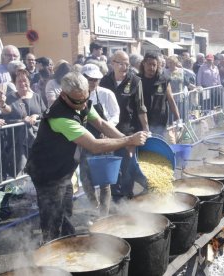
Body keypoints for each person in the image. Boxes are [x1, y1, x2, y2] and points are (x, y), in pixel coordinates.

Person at [25, 72, 148, 242]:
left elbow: (102, 124)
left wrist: (126, 141)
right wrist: (128, 139)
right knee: (52, 218)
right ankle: (50, 250)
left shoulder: (81, 103)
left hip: (64, 170)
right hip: (47, 172)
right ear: (63, 95)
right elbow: (94, 145)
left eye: (86, 98)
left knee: (66, 210)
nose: (83, 105)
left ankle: (68, 243)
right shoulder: (60, 117)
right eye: (78, 101)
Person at [79, 64, 120, 216]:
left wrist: (107, 130)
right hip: (84, 140)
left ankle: (104, 214)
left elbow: (115, 115)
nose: (93, 82)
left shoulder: (106, 94)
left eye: (96, 79)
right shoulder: (77, 96)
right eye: (90, 79)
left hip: (103, 140)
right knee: (85, 177)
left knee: (105, 181)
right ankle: (94, 205)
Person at [0, 69, 46, 177]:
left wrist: (36, 116)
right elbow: (7, 110)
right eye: (19, 81)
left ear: (29, 81)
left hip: (37, 139)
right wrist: (2, 105)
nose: (22, 83)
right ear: (14, 83)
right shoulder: (10, 97)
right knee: (19, 172)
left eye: (25, 80)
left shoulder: (36, 97)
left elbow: (45, 113)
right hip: (17, 142)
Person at [100, 50, 148, 135]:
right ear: (112, 63)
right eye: (121, 64)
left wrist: (145, 128)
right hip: (109, 128)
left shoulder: (135, 81)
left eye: (127, 64)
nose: (125, 67)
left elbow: (141, 107)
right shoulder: (104, 81)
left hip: (129, 128)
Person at [139, 52, 180, 137]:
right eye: (149, 64)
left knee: (158, 145)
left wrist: (177, 118)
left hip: (159, 121)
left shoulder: (163, 80)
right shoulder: (137, 80)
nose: (151, 67)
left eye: (154, 65)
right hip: (141, 120)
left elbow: (171, 100)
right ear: (144, 64)